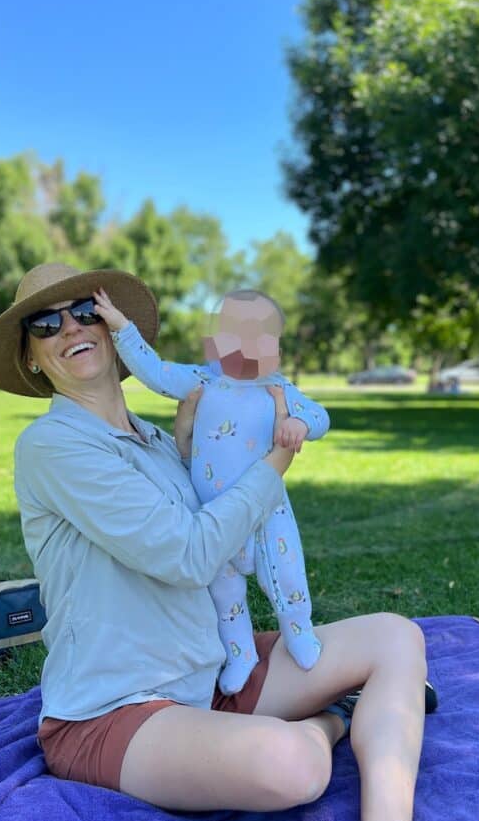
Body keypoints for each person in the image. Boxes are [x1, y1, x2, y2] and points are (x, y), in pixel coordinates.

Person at [0, 262, 479, 821]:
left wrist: (193, 444)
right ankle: (334, 717)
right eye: (44, 324)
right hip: (114, 711)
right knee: (295, 766)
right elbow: (188, 553)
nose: (69, 330)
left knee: (393, 637)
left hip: (208, 674)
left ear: (114, 329)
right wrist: (273, 466)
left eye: (84, 311)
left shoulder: (157, 437)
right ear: (30, 356)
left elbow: (223, 535)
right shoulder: (52, 446)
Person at [92, 285, 327, 694]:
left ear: (276, 346)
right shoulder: (202, 381)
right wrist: (121, 327)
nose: (247, 348)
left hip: (267, 514)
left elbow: (320, 414)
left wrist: (300, 425)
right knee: (223, 594)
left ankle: (299, 630)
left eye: (260, 338)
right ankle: (240, 653)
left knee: (286, 577)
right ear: (216, 343)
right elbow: (155, 372)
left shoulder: (278, 389)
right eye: (234, 336)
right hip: (213, 519)